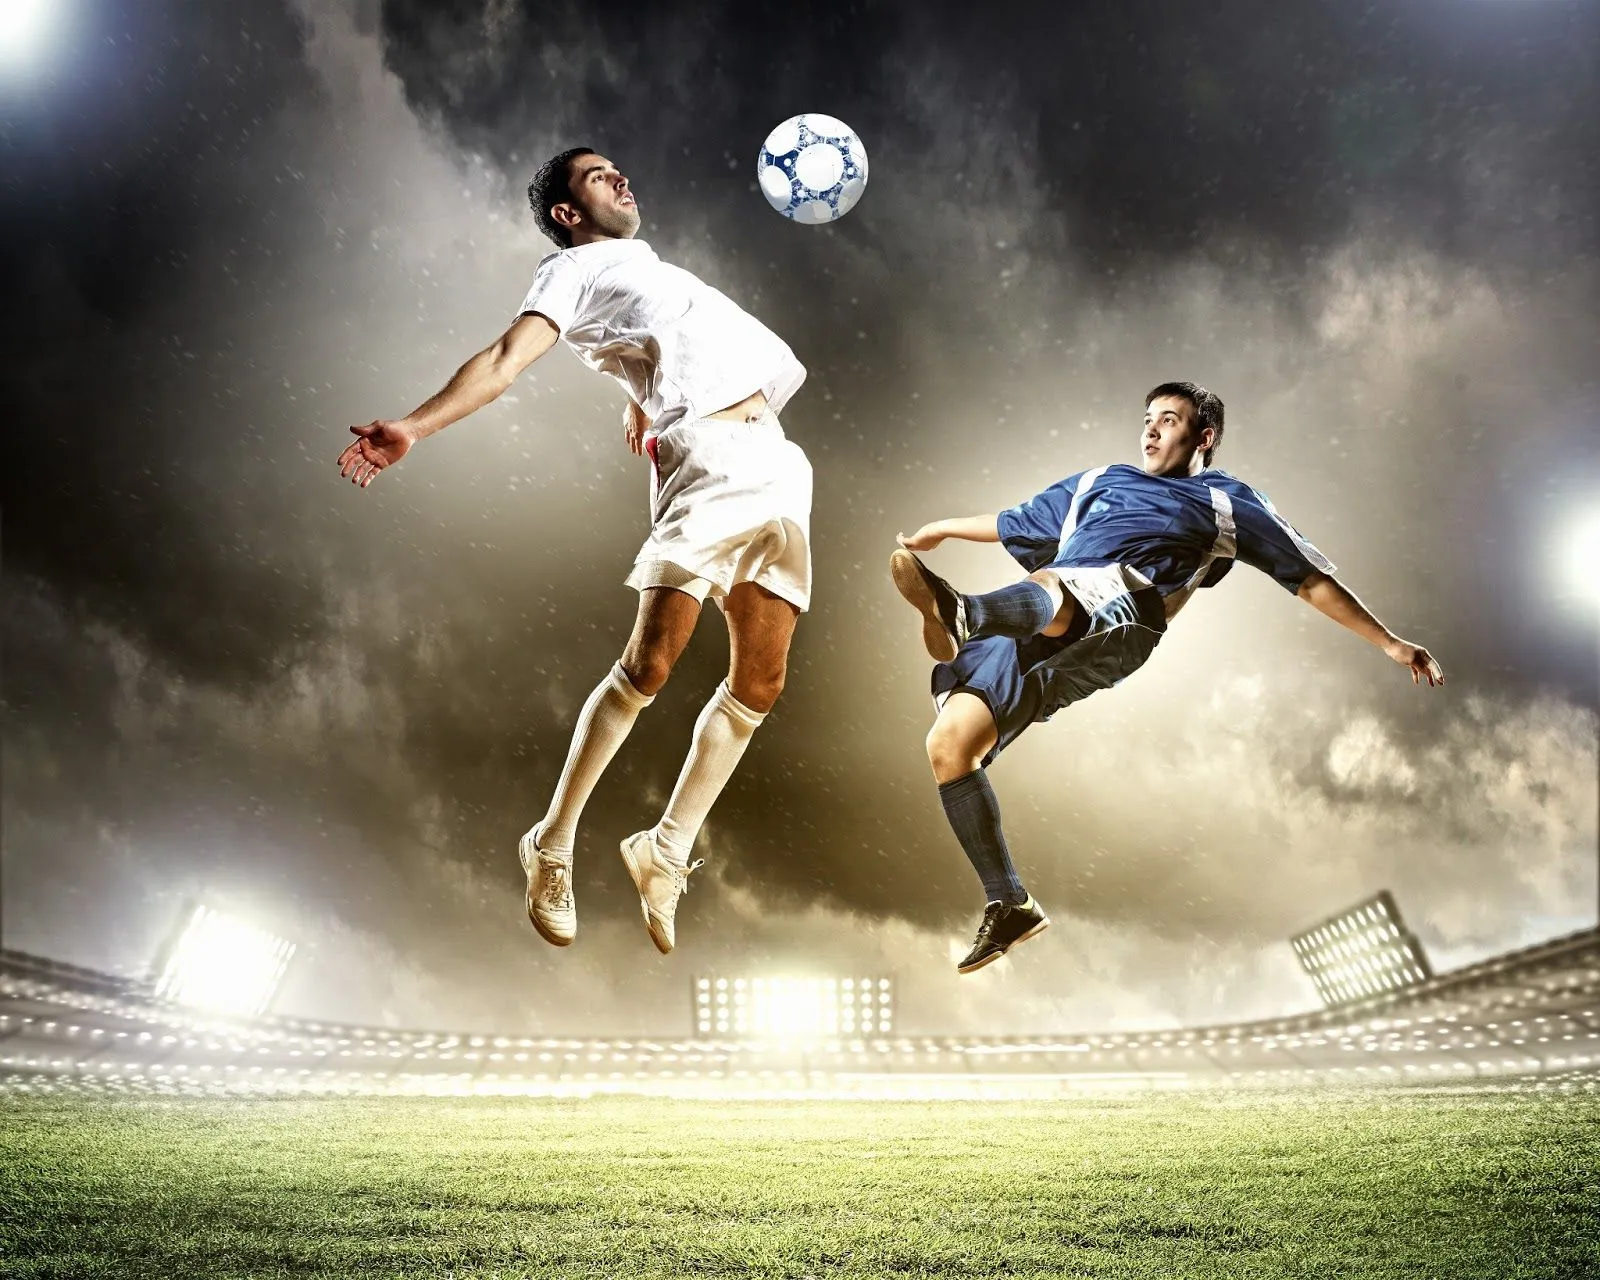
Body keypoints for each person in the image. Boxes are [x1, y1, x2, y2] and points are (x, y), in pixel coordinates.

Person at [337, 148, 812, 955]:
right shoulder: (573, 272)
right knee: (654, 663)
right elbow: (504, 359)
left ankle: (664, 850)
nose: (622, 177)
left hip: (778, 464)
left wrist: (636, 389)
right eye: (598, 176)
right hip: (707, 462)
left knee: (761, 684)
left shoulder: (653, 272)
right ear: (567, 213)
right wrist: (414, 426)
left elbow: (651, 342)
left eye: (621, 168)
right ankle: (550, 842)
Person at [890, 381, 1444, 974]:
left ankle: (964, 615)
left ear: (1203, 438)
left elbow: (1306, 578)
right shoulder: (1098, 480)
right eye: (1148, 418)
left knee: (1062, 584)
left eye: (1170, 420)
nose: (1151, 429)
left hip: (1126, 613)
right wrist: (942, 528)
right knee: (948, 745)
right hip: (1042, 614)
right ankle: (1010, 902)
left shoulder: (1227, 502)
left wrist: (1388, 641)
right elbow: (1011, 521)